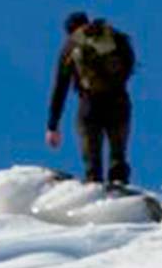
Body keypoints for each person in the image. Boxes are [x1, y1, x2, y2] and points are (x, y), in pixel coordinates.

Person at [46, 11, 136, 187]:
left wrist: (53, 125)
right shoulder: (114, 37)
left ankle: (94, 187)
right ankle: (120, 188)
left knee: (92, 159)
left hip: (89, 104)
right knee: (118, 155)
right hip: (118, 100)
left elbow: (60, 87)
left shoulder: (71, 46)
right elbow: (129, 64)